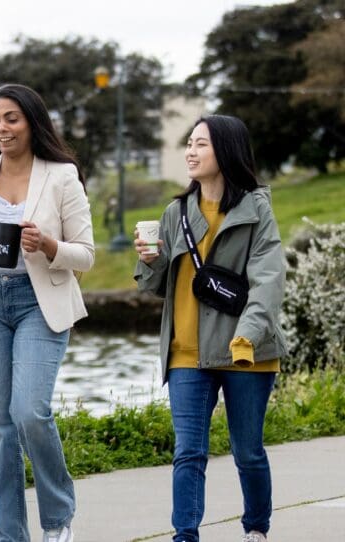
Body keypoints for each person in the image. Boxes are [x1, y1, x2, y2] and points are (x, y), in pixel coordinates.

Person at [0, 84, 94, 542]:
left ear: (32, 122)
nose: (1, 128)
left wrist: (47, 245)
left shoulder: (61, 176)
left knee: (29, 411)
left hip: (37, 302)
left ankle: (58, 517)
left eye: (11, 118)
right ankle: (8, 534)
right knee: (0, 425)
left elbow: (85, 254)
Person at [134, 115, 287, 542]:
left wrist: (248, 337)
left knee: (248, 452)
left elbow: (268, 282)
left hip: (246, 352)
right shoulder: (175, 212)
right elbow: (155, 286)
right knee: (188, 452)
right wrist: (147, 262)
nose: (190, 151)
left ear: (226, 150)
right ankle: (185, 536)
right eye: (189, 143)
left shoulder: (257, 211)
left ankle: (256, 529)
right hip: (187, 351)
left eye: (201, 143)